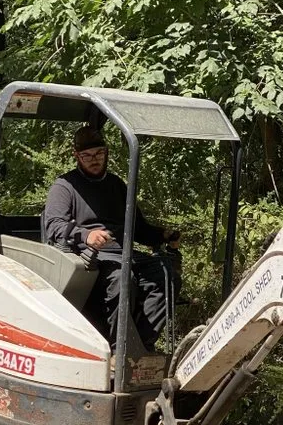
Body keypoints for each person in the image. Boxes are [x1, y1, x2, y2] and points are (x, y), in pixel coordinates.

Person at [41, 125, 180, 352]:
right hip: (87, 257)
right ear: (76, 156)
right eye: (86, 156)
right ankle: (117, 350)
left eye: (98, 154)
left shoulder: (116, 185)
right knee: (121, 278)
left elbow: (138, 228)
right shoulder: (65, 186)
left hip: (123, 253)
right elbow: (54, 226)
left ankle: (140, 347)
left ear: (107, 152)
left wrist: (162, 235)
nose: (93, 160)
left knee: (166, 274)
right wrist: (87, 235)